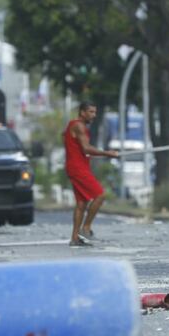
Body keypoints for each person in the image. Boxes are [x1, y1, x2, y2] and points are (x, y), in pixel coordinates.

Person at [63, 101, 119, 247]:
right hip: (77, 168)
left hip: (78, 167)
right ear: (82, 112)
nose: (94, 115)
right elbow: (86, 149)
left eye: (95, 112)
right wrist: (107, 153)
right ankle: (86, 228)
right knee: (100, 195)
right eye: (91, 112)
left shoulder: (77, 126)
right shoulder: (78, 126)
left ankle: (74, 238)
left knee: (82, 203)